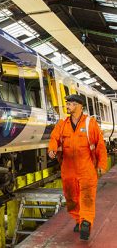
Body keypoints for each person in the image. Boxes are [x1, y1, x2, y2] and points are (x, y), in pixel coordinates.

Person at [48, 94, 107, 240]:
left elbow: (100, 145)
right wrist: (52, 149)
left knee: (87, 196)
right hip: (68, 168)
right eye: (67, 104)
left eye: (71, 104)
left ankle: (86, 222)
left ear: (79, 106)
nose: (68, 106)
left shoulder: (90, 123)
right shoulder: (62, 124)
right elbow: (54, 138)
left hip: (86, 167)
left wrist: (101, 164)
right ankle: (79, 220)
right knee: (71, 198)